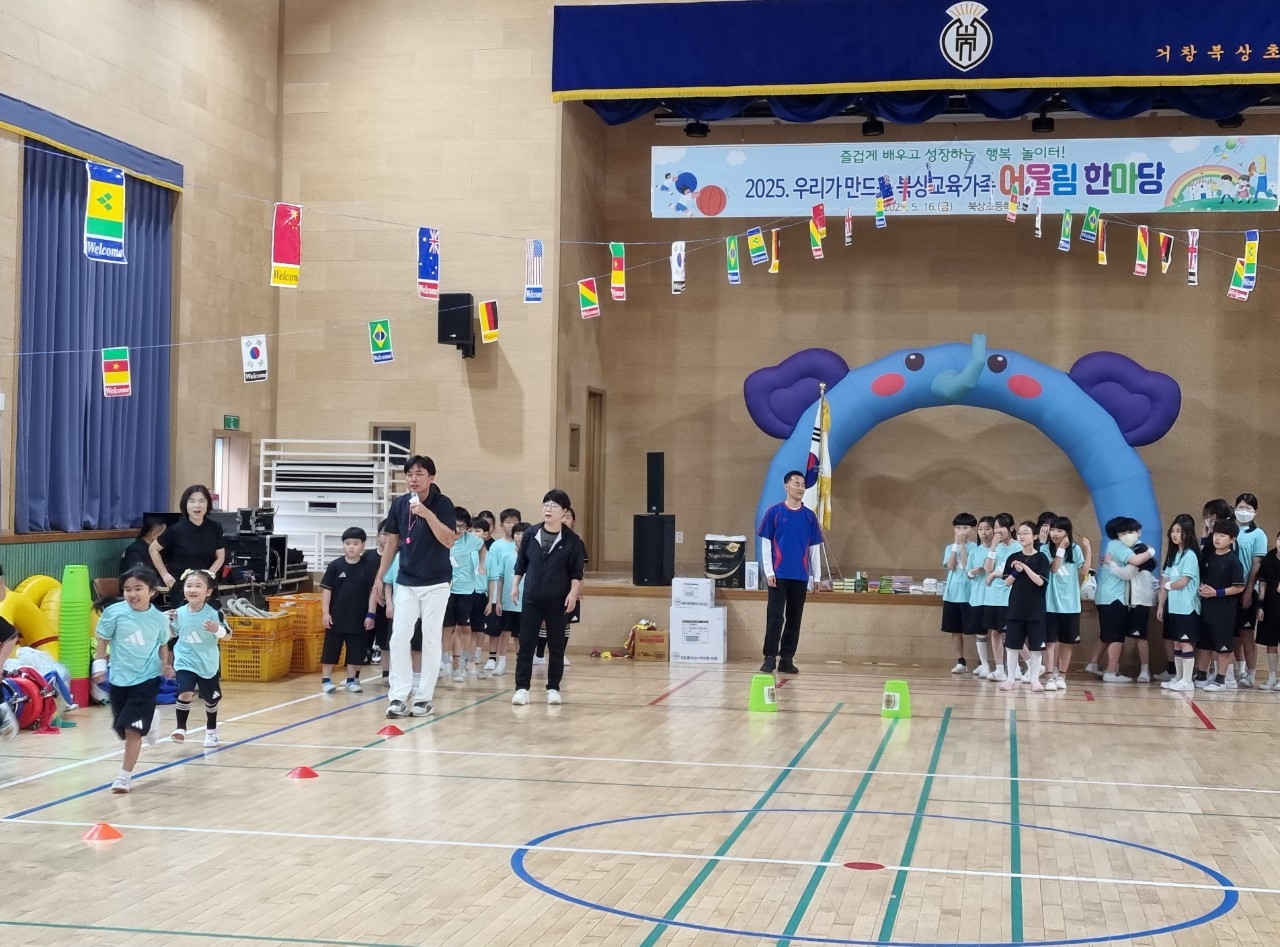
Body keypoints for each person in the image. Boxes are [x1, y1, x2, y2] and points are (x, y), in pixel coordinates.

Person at [373, 455, 457, 719]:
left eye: (419, 474)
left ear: (431, 477)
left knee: (430, 639)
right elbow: (392, 543)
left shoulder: (443, 504)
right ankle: (398, 696)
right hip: (407, 582)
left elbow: (449, 540)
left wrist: (427, 513)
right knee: (399, 637)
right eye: (409, 474)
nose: (413, 479)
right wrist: (380, 577)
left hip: (436, 583)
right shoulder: (399, 504)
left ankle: (423, 698)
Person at [92, 565, 173, 794]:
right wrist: (99, 666)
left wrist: (164, 665)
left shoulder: (159, 619)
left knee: (132, 730)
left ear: (152, 591)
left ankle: (124, 777)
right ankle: (151, 718)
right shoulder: (114, 613)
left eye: (138, 588)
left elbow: (163, 645)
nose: (132, 594)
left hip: (147, 680)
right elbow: (102, 640)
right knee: (121, 728)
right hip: (119, 679)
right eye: (127, 589)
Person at [511, 490, 585, 706]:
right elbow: (521, 564)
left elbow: (576, 572)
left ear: (564, 511)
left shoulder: (572, 540)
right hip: (532, 597)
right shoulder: (531, 533)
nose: (548, 509)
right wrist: (515, 586)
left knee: (556, 646)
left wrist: (573, 594)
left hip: (558, 600)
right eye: (545, 505)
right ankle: (521, 688)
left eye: (553, 506)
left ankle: (553, 688)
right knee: (526, 644)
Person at [756, 470, 825, 674]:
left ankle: (787, 659)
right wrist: (769, 571)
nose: (800, 488)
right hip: (778, 576)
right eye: (796, 483)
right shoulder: (774, 512)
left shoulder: (809, 517)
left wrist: (817, 577)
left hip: (800, 576)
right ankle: (770, 657)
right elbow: (766, 544)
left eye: (803, 484)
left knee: (795, 618)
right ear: (786, 486)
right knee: (775, 617)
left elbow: (814, 548)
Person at [168, 569, 229, 746]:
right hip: (185, 660)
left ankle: (211, 730)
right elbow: (172, 633)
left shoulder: (214, 613)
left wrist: (217, 629)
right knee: (185, 691)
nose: (192, 589)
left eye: (198, 586)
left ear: (208, 592)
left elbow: (228, 635)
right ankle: (180, 728)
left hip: (207, 662)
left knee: (211, 699)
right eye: (188, 586)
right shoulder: (178, 613)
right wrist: (166, 622)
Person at [320, 527, 379, 694]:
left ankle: (351, 680)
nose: (351, 547)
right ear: (343, 545)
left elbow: (372, 594)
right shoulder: (335, 566)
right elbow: (327, 591)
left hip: (359, 618)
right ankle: (326, 680)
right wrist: (325, 613)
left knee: (356, 651)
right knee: (331, 649)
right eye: (347, 543)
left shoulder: (369, 567)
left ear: (363, 545)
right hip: (336, 617)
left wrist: (371, 615)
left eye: (355, 543)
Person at [149, 485, 225, 605]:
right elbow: (153, 549)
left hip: (207, 586)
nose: (197, 505)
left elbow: (220, 556)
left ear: (208, 504)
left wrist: (208, 575)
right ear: (185, 504)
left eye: (202, 501)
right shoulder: (176, 529)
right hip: (182, 587)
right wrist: (165, 574)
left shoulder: (215, 527)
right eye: (192, 501)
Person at [999, 521, 1051, 692]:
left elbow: (1040, 582)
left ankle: (1035, 679)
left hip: (1036, 609)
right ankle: (1010, 679)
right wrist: (1016, 571)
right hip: (1016, 607)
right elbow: (1007, 582)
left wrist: (1026, 568)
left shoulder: (1041, 558)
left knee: (1036, 648)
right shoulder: (1013, 557)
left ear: (1035, 536)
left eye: (1026, 533)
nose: (1021, 536)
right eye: (1019, 533)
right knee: (1012, 646)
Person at [1196, 519, 1246, 692]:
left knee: (1223, 646)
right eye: (1216, 534)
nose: (1217, 538)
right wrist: (1203, 588)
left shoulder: (1233, 561)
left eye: (1222, 535)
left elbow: (1239, 587)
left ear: (1232, 539)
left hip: (1224, 610)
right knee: (1205, 645)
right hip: (1206, 607)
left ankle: (1221, 680)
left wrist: (1216, 593)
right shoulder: (1208, 557)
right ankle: (1201, 675)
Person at [1042, 516, 1089, 692]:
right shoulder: (1045, 549)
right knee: (1050, 643)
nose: (1055, 533)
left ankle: (1062, 675)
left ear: (1067, 532)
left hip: (1071, 605)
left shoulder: (1075, 549)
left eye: (1059, 530)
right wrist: (1061, 548)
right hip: (1050, 605)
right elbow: (1054, 568)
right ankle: (1049, 676)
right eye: (1053, 529)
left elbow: (1084, 571)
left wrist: (1088, 550)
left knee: (1067, 642)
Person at [1158, 514, 1201, 692]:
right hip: (1174, 607)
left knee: (1185, 643)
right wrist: (1161, 604)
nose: (1174, 534)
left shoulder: (1190, 556)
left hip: (1187, 607)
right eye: (1173, 531)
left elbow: (1183, 581)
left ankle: (1187, 680)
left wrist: (1167, 585)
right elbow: (1165, 579)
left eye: (1179, 531)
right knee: (1176, 643)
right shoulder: (1174, 555)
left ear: (1187, 533)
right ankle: (1178, 677)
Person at [444, 508, 483, 683]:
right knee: (447, 627)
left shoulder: (471, 540)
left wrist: (481, 565)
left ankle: (464, 663)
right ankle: (445, 663)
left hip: (466, 590)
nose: (458, 530)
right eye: (456, 525)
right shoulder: (443, 537)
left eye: (462, 526)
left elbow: (482, 547)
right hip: (446, 589)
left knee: (464, 628)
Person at [1231, 493, 1266, 687]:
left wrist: (1248, 589)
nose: (1243, 511)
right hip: (1228, 590)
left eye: (1248, 508)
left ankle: (1251, 674)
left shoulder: (1258, 534)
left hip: (1246, 589)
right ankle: (1238, 671)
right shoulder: (1228, 530)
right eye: (1241, 507)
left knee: (1246, 633)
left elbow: (1257, 563)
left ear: (1255, 511)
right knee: (1232, 634)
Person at [484, 514, 524, 676]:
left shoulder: (533, 558)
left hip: (525, 603)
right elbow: (500, 579)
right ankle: (501, 663)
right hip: (507, 602)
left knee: (521, 635)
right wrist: (498, 600)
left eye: (523, 534)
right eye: (517, 533)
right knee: (504, 633)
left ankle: (522, 663)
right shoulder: (507, 556)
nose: (520, 537)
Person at [981, 513, 1019, 681]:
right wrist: (992, 548)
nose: (998, 530)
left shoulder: (1018, 547)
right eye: (995, 527)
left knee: (1008, 633)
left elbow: (1015, 571)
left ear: (1011, 528)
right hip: (992, 596)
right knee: (995, 633)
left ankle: (1019, 667)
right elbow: (987, 568)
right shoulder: (995, 547)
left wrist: (995, 574)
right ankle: (999, 669)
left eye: (1001, 527)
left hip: (1009, 596)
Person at [941, 513, 979, 674]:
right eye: (957, 527)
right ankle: (960, 661)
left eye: (965, 527)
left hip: (969, 594)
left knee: (976, 629)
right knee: (955, 629)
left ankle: (982, 661)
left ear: (972, 530)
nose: (961, 531)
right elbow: (950, 566)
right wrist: (956, 545)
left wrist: (963, 545)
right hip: (952, 594)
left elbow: (966, 565)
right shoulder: (949, 547)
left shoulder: (976, 548)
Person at [968, 515, 995, 678]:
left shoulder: (999, 550)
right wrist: (973, 572)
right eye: (980, 529)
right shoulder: (975, 551)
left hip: (995, 597)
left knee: (999, 633)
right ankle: (984, 665)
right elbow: (968, 575)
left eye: (987, 529)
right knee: (980, 633)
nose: (983, 532)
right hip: (978, 597)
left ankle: (1004, 666)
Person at [1254, 529, 1280, 690]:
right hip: (1271, 606)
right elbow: (1262, 584)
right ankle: (1272, 677)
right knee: (1271, 642)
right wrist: (1260, 605)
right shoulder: (1269, 559)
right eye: (1279, 539)